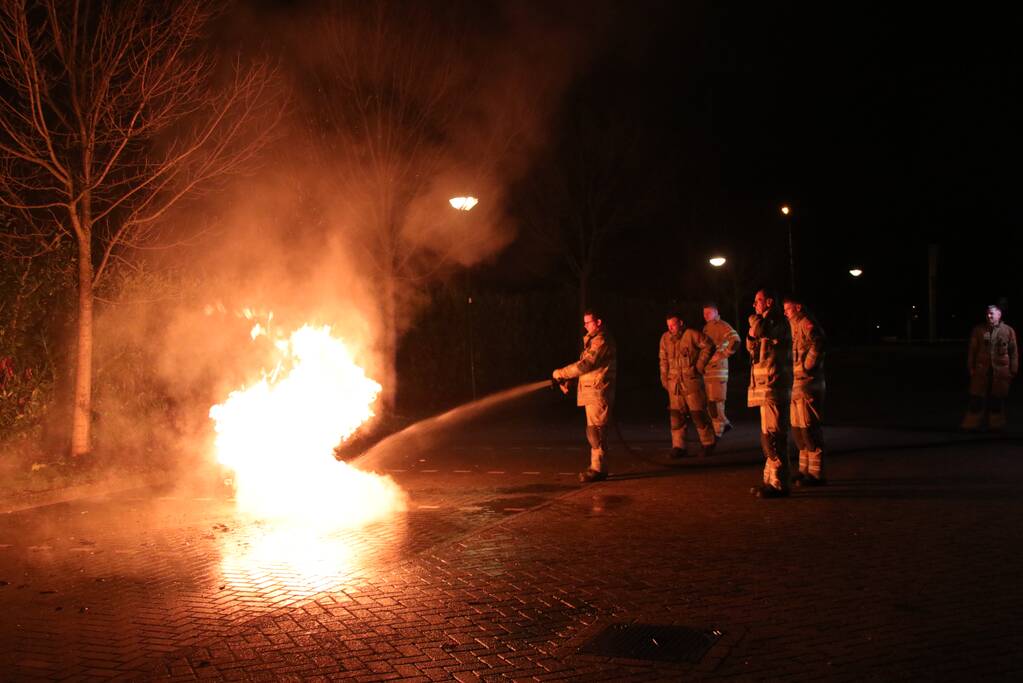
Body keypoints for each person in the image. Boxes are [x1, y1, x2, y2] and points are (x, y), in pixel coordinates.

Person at [553, 309, 617, 482]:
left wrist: (562, 373)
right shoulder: (593, 341)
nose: (586, 326)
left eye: (589, 322)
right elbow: (589, 370)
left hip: (599, 393)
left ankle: (598, 469)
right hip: (593, 392)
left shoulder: (601, 341)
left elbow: (586, 364)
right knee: (594, 431)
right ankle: (597, 467)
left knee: (597, 432)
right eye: (585, 322)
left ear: (598, 322)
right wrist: (572, 382)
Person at [746, 289, 792, 498]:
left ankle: (780, 484)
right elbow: (752, 346)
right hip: (764, 387)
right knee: (767, 437)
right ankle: (770, 481)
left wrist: (754, 321)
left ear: (769, 302)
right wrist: (752, 332)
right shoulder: (766, 322)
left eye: (758, 300)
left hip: (775, 386)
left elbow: (761, 331)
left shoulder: (777, 322)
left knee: (774, 436)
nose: (754, 304)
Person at [659, 312, 716, 458]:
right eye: (668, 326)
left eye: (673, 325)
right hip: (674, 385)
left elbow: (709, 345)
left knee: (698, 414)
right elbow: (663, 360)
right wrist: (664, 379)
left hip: (691, 382)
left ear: (681, 323)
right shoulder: (665, 339)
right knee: (676, 416)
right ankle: (679, 446)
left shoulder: (691, 335)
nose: (670, 328)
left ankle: (708, 443)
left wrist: (699, 365)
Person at [783, 295, 827, 485]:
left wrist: (807, 366)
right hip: (795, 386)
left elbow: (819, 342)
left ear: (798, 307)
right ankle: (804, 471)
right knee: (798, 430)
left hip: (808, 385)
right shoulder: (790, 327)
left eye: (788, 309)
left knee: (809, 428)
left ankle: (816, 474)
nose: (785, 313)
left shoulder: (806, 323)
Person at [961, 303, 1018, 432]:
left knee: (996, 399)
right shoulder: (978, 330)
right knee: (977, 398)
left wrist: (1013, 369)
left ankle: (996, 426)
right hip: (981, 370)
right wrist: (970, 366)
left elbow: (1013, 352)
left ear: (999, 315)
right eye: (987, 313)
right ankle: (970, 425)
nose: (988, 316)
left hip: (1001, 371)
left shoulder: (1008, 331)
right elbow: (972, 350)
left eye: (991, 313)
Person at [702, 302, 741, 438]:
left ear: (716, 312)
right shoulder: (707, 328)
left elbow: (736, 340)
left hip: (718, 371)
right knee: (711, 403)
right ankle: (722, 426)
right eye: (704, 313)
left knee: (716, 402)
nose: (705, 315)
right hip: (708, 372)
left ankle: (719, 430)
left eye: (709, 312)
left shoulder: (722, 325)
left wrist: (722, 354)